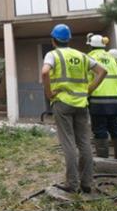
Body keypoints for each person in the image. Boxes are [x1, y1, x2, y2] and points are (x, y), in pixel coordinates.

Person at [41, 24, 107, 193]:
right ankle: (86, 183)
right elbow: (102, 71)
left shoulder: (52, 54)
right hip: (81, 104)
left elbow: (45, 72)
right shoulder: (82, 55)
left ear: (53, 40)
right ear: (68, 39)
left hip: (62, 103)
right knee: (84, 143)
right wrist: (89, 89)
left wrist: (49, 93)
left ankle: (72, 184)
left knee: (69, 143)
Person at [86, 35, 117, 159]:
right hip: (115, 99)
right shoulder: (112, 58)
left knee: (100, 129)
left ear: (91, 45)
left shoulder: (90, 58)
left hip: (98, 100)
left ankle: (103, 158)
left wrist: (85, 93)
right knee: (115, 127)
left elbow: (87, 78)